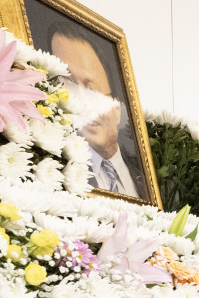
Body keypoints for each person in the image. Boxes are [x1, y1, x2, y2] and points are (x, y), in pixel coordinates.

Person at [46, 21, 149, 201]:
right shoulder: (52, 173)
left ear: (116, 108)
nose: (82, 104)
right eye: (68, 86)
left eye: (92, 91)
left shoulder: (148, 180)